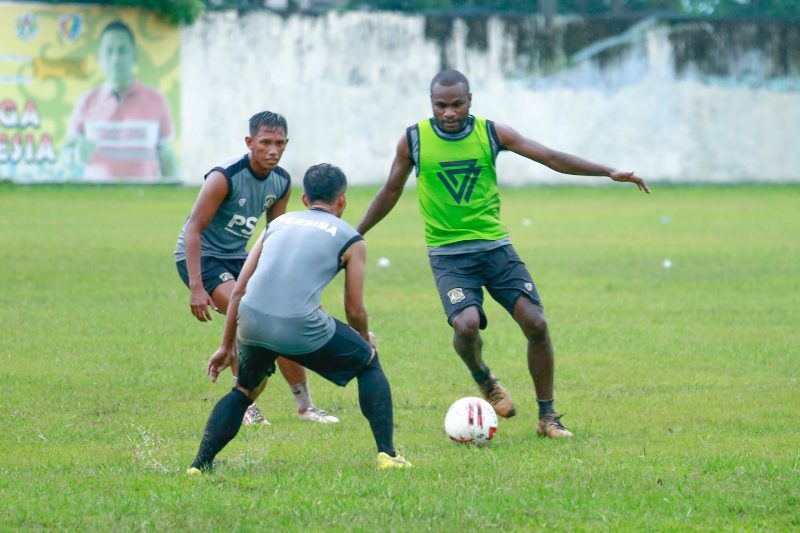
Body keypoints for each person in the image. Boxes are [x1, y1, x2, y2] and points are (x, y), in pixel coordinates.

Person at [357, 69, 650, 439]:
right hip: (449, 255)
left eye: (457, 104)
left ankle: (548, 418)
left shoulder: (492, 133)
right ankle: (484, 378)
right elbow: (390, 191)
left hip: (495, 248)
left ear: (470, 100)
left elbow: (550, 157)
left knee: (536, 324)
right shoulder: (414, 139)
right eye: (440, 105)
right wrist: (354, 234)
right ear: (431, 103)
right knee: (465, 325)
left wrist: (608, 171)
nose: (449, 113)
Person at [187, 163, 412, 473]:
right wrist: (363, 339)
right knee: (368, 363)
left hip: (250, 320)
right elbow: (354, 309)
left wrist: (227, 345)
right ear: (342, 200)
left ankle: (199, 465)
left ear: (305, 199)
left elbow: (239, 290)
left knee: (243, 390)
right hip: (299, 325)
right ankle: (388, 455)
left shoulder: (277, 224)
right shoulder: (351, 237)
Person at [175, 111, 337, 426]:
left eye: (279, 143)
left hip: (239, 256)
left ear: (287, 143)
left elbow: (274, 235)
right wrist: (197, 287)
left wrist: (285, 282)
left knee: (282, 316)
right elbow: (193, 229)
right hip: (202, 257)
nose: (272, 150)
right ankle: (245, 406)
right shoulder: (224, 177)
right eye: (265, 142)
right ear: (250, 142)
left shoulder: (281, 181)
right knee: (249, 313)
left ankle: (306, 407)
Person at [61, 20, 177, 182]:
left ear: (134, 55)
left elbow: (167, 157)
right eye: (109, 51)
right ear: (100, 58)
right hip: (97, 201)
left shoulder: (157, 101)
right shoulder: (87, 101)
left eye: (122, 50)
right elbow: (67, 153)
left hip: (144, 202)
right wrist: (75, 155)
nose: (115, 58)